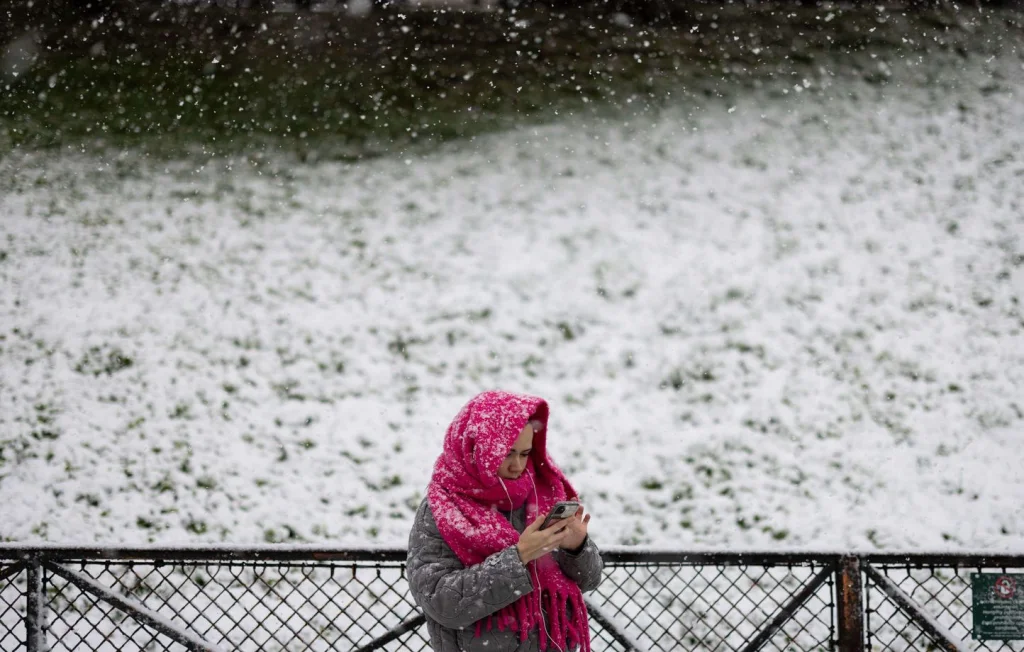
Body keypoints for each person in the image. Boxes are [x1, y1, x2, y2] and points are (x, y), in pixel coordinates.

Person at [407, 390, 603, 652]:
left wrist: (576, 548)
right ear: (476, 448)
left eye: (525, 453)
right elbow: (440, 601)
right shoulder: (443, 506)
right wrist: (518, 557)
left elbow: (589, 580)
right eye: (507, 454)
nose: (517, 466)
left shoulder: (545, 491)